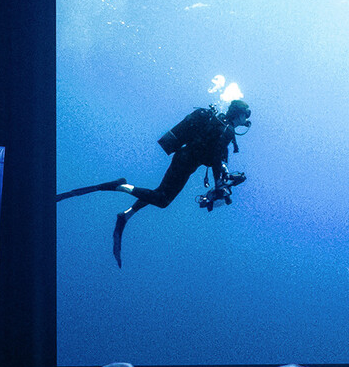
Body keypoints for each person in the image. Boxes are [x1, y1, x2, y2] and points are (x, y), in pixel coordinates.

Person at [56, 99, 251, 266]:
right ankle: (121, 186)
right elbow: (217, 159)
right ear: (239, 114)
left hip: (183, 159)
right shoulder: (226, 130)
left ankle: (126, 215)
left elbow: (217, 157)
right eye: (245, 114)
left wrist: (224, 179)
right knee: (162, 200)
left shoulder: (218, 122)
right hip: (185, 164)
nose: (247, 119)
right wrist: (220, 184)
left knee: (160, 192)